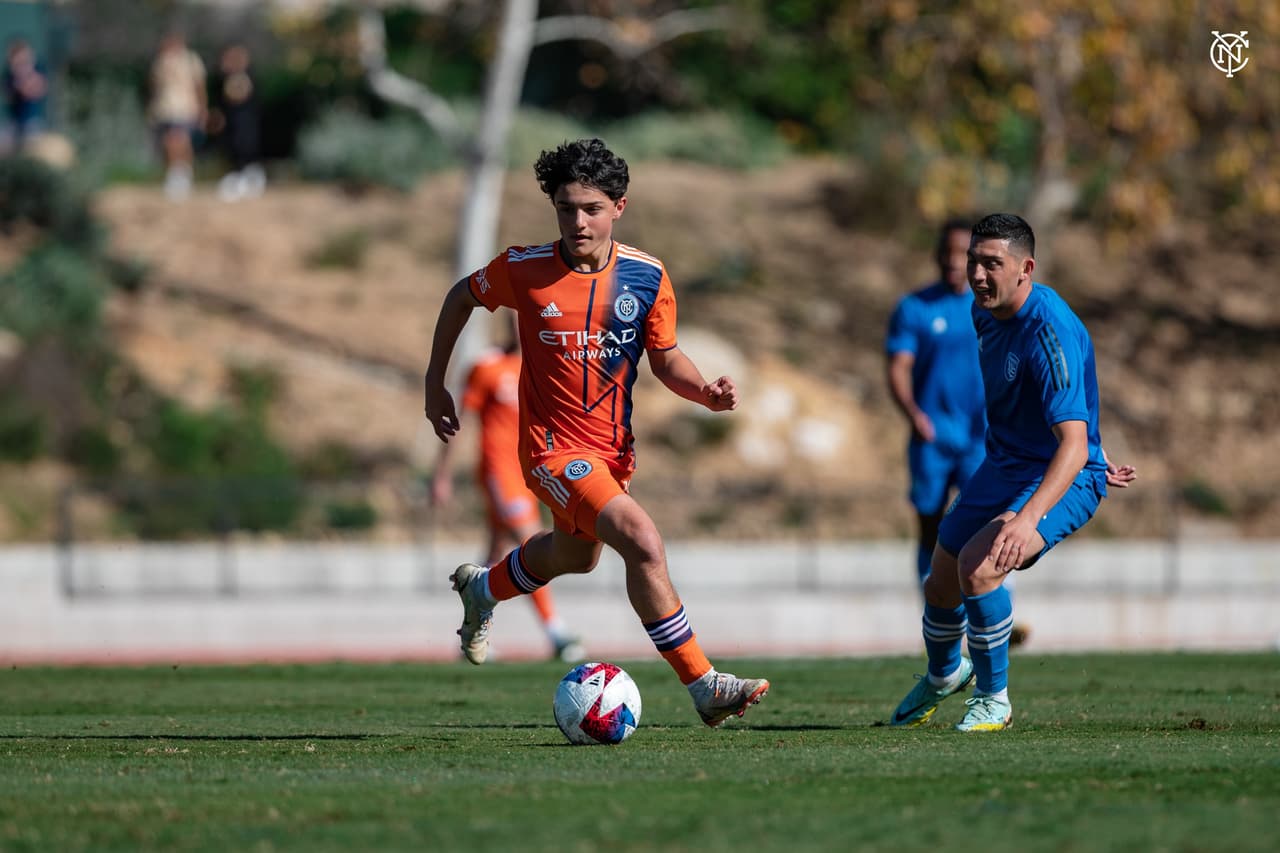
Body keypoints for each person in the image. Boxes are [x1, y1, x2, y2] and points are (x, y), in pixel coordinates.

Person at [423, 138, 769, 728]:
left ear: (619, 207)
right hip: (551, 453)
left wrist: (703, 392)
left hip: (612, 456)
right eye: (564, 208)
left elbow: (666, 359)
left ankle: (484, 589)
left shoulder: (646, 275)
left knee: (575, 557)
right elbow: (461, 298)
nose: (577, 221)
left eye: (590, 208)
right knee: (642, 539)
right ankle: (704, 683)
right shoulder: (524, 269)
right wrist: (435, 383)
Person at [889, 213, 1136, 733]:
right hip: (1002, 466)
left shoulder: (1050, 331)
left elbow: (1071, 442)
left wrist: (1028, 519)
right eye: (973, 261)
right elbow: (1059, 405)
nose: (977, 274)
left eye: (991, 264)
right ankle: (941, 676)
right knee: (940, 580)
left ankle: (994, 698)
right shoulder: (984, 313)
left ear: (1026, 268)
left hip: (1063, 475)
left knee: (981, 567)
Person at [886, 218, 1030, 646]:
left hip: (983, 439)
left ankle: (1001, 608)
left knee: (993, 522)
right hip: (933, 438)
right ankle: (936, 618)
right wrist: (913, 413)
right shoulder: (915, 308)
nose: (954, 262)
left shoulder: (993, 305)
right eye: (948, 253)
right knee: (932, 528)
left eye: (963, 254)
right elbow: (898, 366)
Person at [430, 314, 585, 662]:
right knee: (532, 544)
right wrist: (442, 474)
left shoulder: (541, 367)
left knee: (494, 556)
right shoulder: (487, 366)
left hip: (530, 475)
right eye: (516, 320)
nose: (521, 328)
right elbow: (460, 422)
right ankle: (556, 632)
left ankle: (471, 633)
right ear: (507, 324)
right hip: (498, 471)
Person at [148, 33, 206, 200]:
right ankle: (175, 173)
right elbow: (155, 86)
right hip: (164, 108)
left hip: (185, 107)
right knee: (168, 141)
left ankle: (182, 174)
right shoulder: (160, 61)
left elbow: (199, 86)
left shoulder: (190, 60)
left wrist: (202, 108)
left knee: (179, 140)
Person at [209, 43, 265, 202]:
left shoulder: (250, 76)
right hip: (230, 122)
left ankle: (250, 176)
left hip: (246, 121)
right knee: (231, 148)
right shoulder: (221, 78)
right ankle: (237, 177)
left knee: (246, 146)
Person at [3, 38, 48, 152]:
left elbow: (36, 90)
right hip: (13, 121)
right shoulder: (8, 75)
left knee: (32, 149)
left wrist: (25, 77)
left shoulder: (38, 69)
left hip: (32, 121)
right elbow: (9, 94)